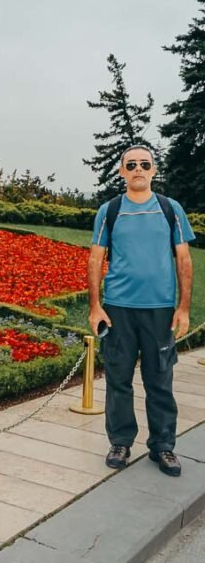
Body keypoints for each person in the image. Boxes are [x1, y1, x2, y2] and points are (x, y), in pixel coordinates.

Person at [88, 144, 195, 476]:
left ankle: (163, 447)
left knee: (159, 380)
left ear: (153, 170)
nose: (137, 168)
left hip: (159, 310)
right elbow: (95, 259)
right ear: (122, 171)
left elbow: (184, 259)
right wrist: (95, 307)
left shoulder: (170, 209)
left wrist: (183, 308)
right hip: (118, 309)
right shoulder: (110, 210)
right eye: (130, 164)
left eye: (144, 164)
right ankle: (120, 441)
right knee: (119, 379)